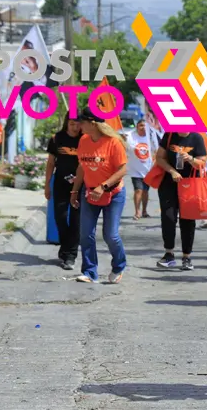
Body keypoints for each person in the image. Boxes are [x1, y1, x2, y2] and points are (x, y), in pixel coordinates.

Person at [69, 107, 128, 284]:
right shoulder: (84, 140)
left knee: (110, 235)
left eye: (82, 122)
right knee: (86, 233)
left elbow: (123, 169)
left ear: (92, 124)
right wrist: (74, 191)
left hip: (113, 193)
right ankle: (89, 272)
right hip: (89, 192)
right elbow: (81, 168)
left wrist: (103, 186)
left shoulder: (113, 142)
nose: (79, 125)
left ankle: (119, 265)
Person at [154, 128, 207, 270]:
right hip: (169, 183)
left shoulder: (197, 137)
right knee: (168, 217)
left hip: (189, 184)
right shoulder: (169, 135)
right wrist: (172, 171)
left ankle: (186, 257)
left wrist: (190, 159)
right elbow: (159, 158)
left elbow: (202, 162)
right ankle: (169, 254)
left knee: (188, 219)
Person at [45, 114, 82, 270]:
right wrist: (47, 185)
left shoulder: (85, 140)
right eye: (72, 124)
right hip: (60, 183)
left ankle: (70, 255)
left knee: (76, 221)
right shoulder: (56, 138)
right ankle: (66, 248)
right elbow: (51, 163)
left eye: (78, 124)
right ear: (67, 123)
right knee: (60, 217)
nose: (75, 127)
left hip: (80, 185)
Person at [125, 120, 153, 220]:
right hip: (135, 170)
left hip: (148, 169)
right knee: (138, 190)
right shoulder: (130, 136)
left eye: (145, 126)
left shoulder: (151, 137)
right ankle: (137, 212)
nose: (143, 127)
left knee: (145, 191)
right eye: (141, 125)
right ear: (137, 127)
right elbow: (124, 145)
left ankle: (144, 211)